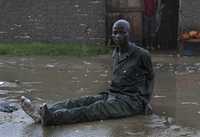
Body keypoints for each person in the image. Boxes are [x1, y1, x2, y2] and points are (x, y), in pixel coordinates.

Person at [20, 19, 155, 126]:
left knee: (93, 109)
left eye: (122, 32)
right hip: (112, 94)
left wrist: (146, 100)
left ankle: (52, 118)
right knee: (79, 101)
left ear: (128, 33)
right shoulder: (116, 53)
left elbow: (150, 77)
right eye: (115, 32)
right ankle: (41, 111)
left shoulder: (141, 54)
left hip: (130, 102)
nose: (118, 36)